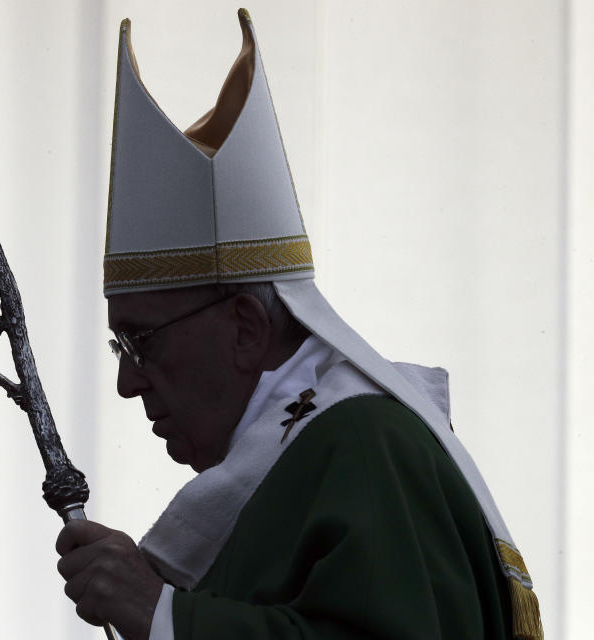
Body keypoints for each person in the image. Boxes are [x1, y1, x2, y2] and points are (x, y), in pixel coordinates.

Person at [56, 9, 543, 640]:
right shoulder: (294, 462)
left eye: (141, 343)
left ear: (246, 328)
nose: (127, 382)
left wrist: (165, 616)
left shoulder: (367, 446)